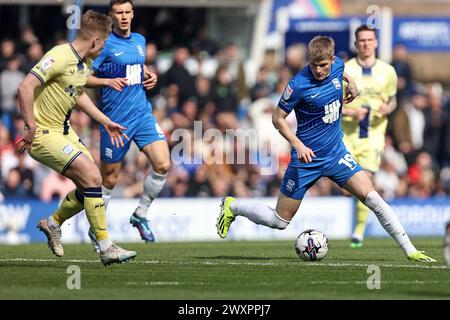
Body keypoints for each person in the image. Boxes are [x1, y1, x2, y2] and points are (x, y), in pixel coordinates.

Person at [216, 36, 435, 263]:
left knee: (373, 198)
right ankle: (233, 206)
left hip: (335, 154)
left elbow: (342, 72)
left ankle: (411, 251)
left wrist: (352, 83)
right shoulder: (298, 84)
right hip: (306, 159)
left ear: (332, 59)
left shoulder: (339, 65)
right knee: (279, 222)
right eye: (314, 65)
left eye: (323, 65)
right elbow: (277, 118)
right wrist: (298, 145)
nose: (319, 70)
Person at [15, 10, 137, 266]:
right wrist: (29, 125)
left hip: (64, 131)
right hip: (43, 134)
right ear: (95, 40)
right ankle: (105, 247)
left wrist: (104, 120)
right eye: (103, 43)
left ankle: (52, 223)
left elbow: (77, 91)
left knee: (91, 185)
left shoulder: (84, 63)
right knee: (93, 178)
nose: (103, 47)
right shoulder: (59, 56)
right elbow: (25, 86)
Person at [86, 0, 170, 251]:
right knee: (109, 179)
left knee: (163, 164)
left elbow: (136, 63)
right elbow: (83, 77)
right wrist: (105, 82)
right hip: (115, 121)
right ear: (111, 16)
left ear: (132, 14)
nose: (124, 17)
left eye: (127, 12)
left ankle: (140, 214)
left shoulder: (140, 40)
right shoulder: (102, 44)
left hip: (142, 114)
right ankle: (96, 229)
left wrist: (148, 74)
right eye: (118, 13)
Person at [342, 25, 398, 248]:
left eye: (369, 40)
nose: (365, 44)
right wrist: (352, 112)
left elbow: (393, 99)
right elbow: (333, 104)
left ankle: (358, 231)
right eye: (361, 40)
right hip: (346, 132)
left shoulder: (388, 71)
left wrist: (389, 108)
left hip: (373, 135)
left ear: (375, 43)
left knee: (365, 181)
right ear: (356, 44)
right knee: (348, 187)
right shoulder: (345, 70)